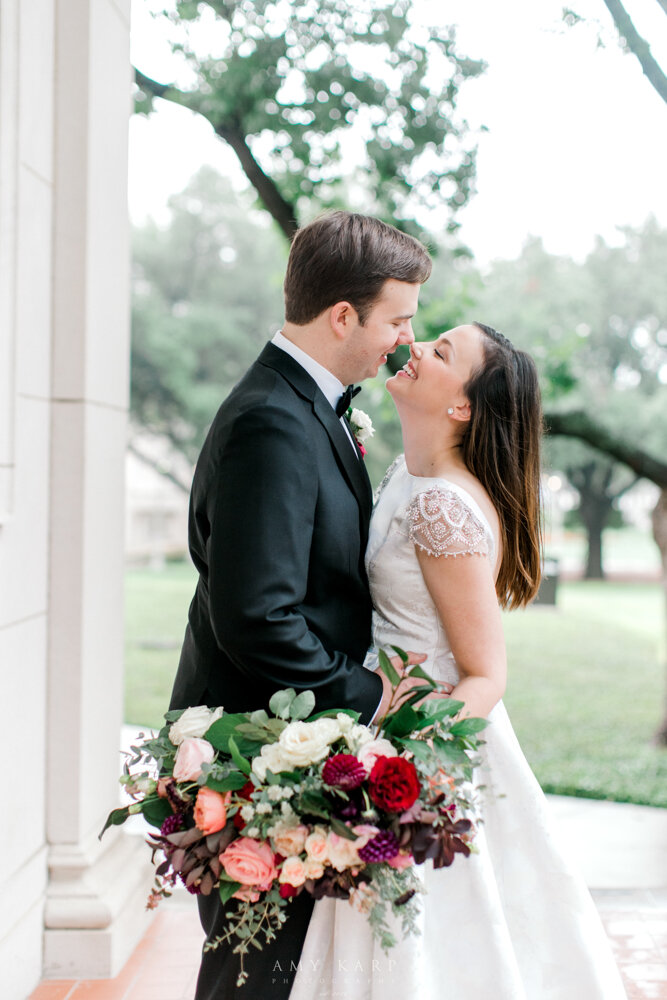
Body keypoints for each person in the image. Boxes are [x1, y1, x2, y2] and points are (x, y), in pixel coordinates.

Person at [290, 322, 627, 999]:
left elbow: (484, 674)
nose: (413, 348)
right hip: (376, 718)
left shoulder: (443, 504)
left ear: (462, 407)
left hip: (427, 747)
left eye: (440, 353)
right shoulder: (407, 475)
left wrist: (403, 775)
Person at [168, 211, 439, 999]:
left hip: (286, 739)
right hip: (255, 753)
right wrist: (368, 696)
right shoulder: (272, 423)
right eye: (398, 319)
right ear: (343, 316)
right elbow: (258, 616)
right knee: (249, 978)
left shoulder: (308, 403)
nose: (405, 341)